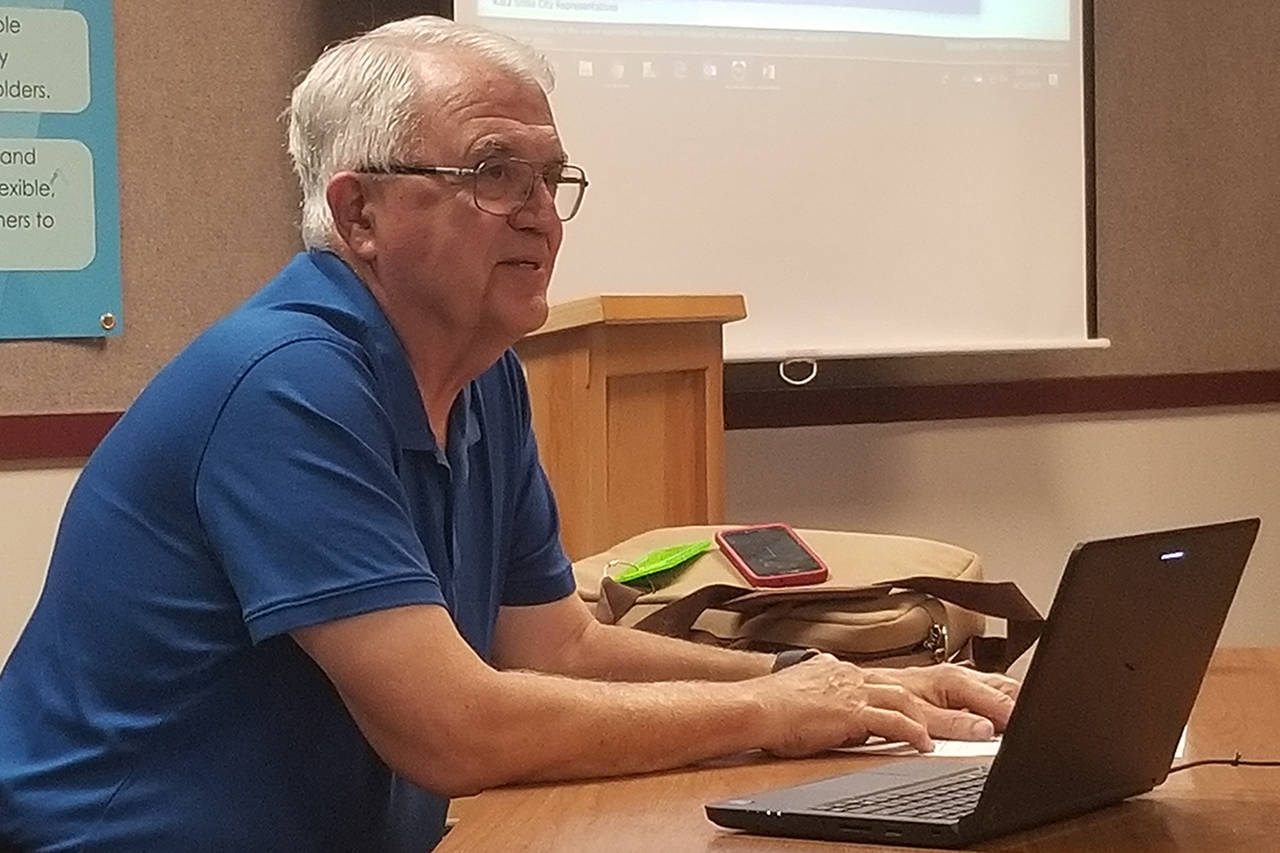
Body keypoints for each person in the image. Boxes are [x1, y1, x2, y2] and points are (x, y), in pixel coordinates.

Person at [0, 16, 1019, 853]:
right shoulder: (285, 383)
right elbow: (452, 729)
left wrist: (827, 686)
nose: (540, 214)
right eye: (494, 173)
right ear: (358, 213)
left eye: (551, 177)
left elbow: (557, 647)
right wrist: (773, 713)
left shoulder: (482, 376)